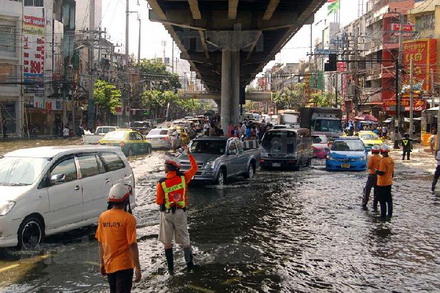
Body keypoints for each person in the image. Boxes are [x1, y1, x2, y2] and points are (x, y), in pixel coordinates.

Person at [156, 143, 198, 275]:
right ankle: (189, 264)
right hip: (180, 213)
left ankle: (170, 269)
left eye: (165, 165)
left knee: (167, 242)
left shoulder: (161, 183)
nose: (164, 167)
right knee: (185, 239)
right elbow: (195, 168)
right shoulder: (184, 178)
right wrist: (189, 153)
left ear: (169, 167)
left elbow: (159, 201)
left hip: (166, 214)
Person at [96, 183, 142, 292]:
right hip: (124, 265)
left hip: (109, 265)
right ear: (126, 201)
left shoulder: (103, 217)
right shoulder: (129, 219)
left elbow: (101, 242)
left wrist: (102, 263)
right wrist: (138, 268)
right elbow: (132, 245)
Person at [376, 144, 395, 219]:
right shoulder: (391, 160)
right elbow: (392, 172)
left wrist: (376, 171)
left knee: (382, 200)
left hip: (382, 183)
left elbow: (382, 172)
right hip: (389, 182)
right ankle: (390, 214)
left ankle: (383, 215)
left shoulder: (383, 161)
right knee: (389, 200)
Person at [362, 145, 382, 211]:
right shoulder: (381, 158)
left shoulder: (372, 158)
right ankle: (375, 205)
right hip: (378, 176)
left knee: (367, 189)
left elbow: (369, 166)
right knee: (376, 191)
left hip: (372, 176)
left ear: (372, 151)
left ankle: (365, 203)